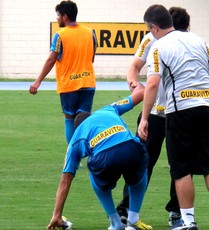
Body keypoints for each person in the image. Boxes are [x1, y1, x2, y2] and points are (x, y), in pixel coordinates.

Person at [138, 4, 209, 230]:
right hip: (207, 106)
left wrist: (145, 118)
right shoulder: (199, 41)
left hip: (180, 109)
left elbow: (153, 83)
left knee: (181, 169)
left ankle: (187, 221)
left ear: (154, 27)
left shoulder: (158, 47)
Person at [117, 7, 195, 228]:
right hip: (152, 113)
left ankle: (176, 212)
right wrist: (134, 83)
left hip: (178, 112)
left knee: (179, 165)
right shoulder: (151, 38)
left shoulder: (189, 42)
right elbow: (134, 67)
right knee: (141, 162)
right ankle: (126, 208)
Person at [47, 82, 153, 230]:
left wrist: (56, 215)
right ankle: (133, 221)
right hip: (130, 147)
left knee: (95, 179)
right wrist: (135, 84)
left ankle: (115, 223)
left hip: (105, 157)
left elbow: (65, 180)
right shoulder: (108, 109)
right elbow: (141, 92)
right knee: (141, 171)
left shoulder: (75, 139)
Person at [29, 0, 97, 143]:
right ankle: (87, 148)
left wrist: (38, 81)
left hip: (69, 85)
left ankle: (73, 158)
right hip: (88, 83)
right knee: (83, 118)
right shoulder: (90, 32)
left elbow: (51, 59)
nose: (57, 18)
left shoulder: (60, 35)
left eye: (58, 15)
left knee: (69, 119)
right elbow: (92, 58)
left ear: (65, 17)